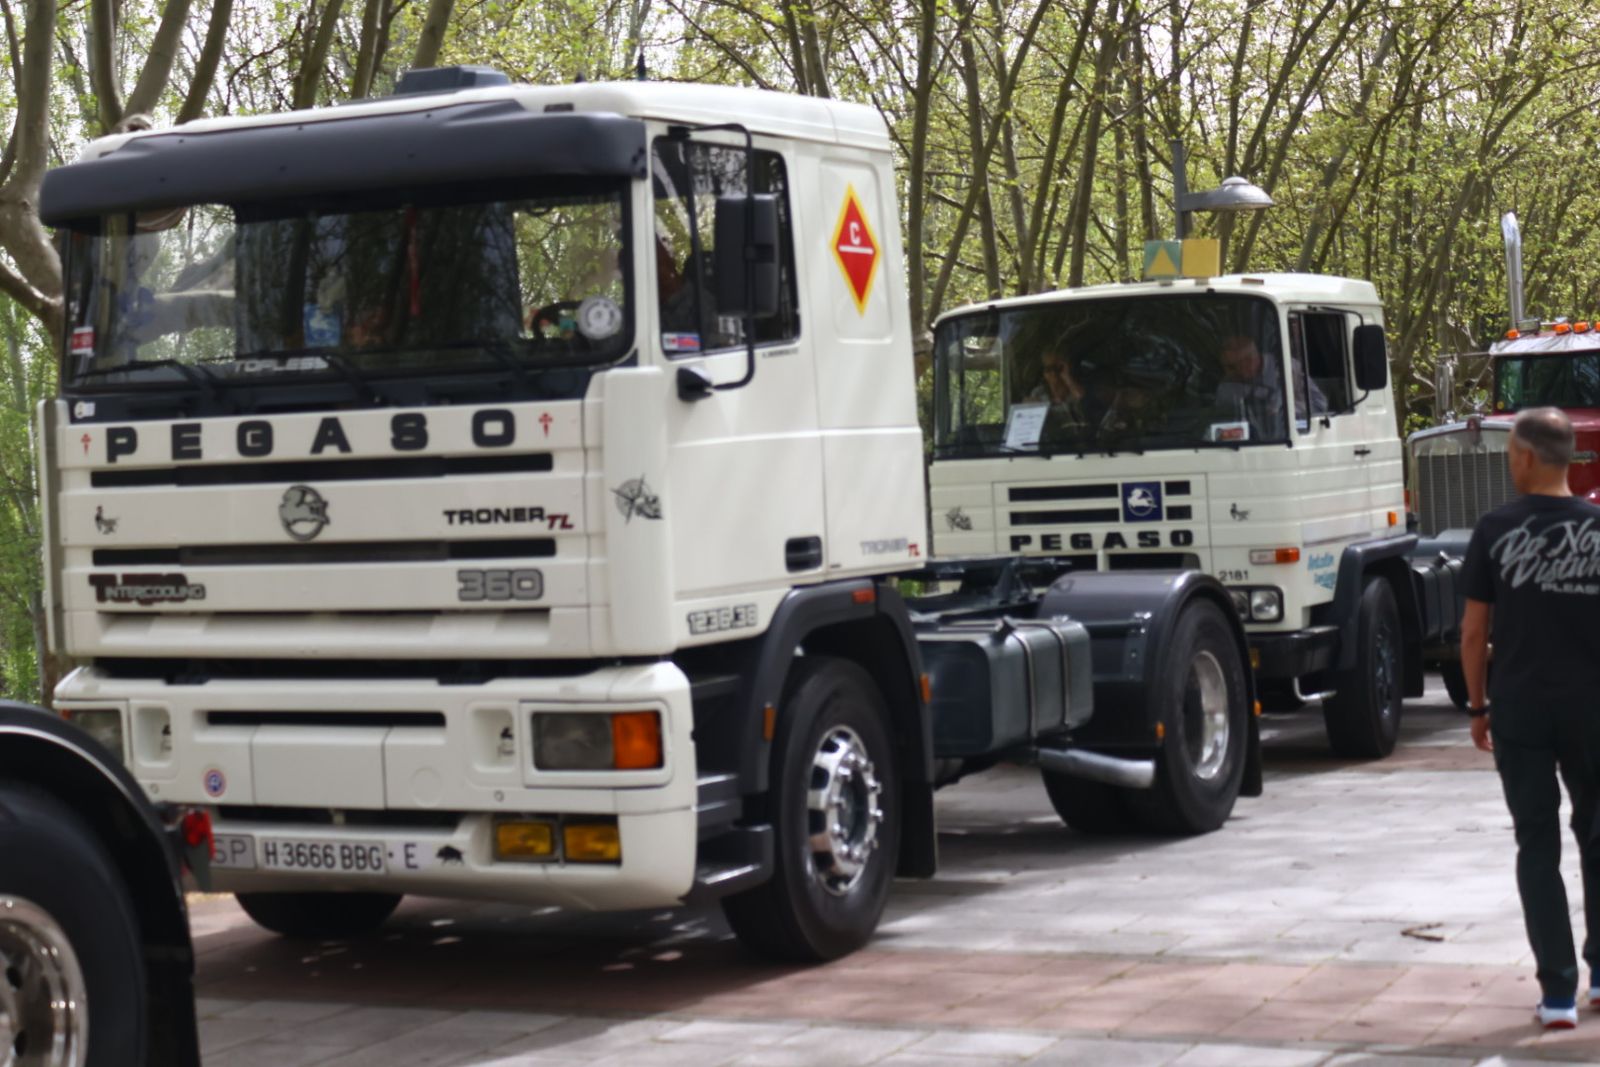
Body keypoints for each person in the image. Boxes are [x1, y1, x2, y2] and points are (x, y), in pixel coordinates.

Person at [1461, 407, 1600, 1030]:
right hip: (1592, 708)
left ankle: (1559, 994)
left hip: (1520, 706)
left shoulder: (1494, 528)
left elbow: (1472, 632)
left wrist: (1477, 704)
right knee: (1598, 837)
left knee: (1536, 846)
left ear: (1525, 457)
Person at [1214, 335, 1327, 441]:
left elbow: (1320, 405)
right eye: (1226, 367)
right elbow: (1220, 421)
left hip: (1288, 439)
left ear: (1249, 360)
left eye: (1232, 367)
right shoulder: (1226, 387)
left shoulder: (1286, 368)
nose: (1228, 372)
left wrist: (1286, 408)